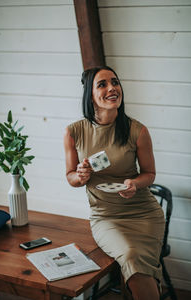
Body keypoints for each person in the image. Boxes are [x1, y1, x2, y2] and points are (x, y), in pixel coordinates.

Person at [64, 66, 165, 300]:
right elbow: (70, 176)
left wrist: (135, 184)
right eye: (102, 84)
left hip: (144, 214)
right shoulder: (73, 132)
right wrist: (80, 176)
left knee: (137, 265)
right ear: (90, 95)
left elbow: (149, 174)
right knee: (131, 256)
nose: (112, 88)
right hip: (106, 217)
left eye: (115, 82)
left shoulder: (137, 130)